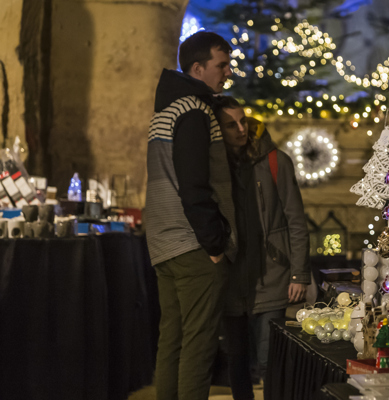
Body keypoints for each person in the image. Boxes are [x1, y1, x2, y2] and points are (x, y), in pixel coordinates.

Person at [145, 32, 237, 400]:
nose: (227, 73)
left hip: (164, 243)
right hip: (192, 245)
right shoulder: (194, 111)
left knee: (173, 340)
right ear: (197, 68)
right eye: (222, 65)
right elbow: (194, 185)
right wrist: (214, 244)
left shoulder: (165, 109)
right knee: (198, 346)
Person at [215, 96, 311, 400]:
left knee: (270, 361)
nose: (241, 129)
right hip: (231, 280)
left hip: (273, 276)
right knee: (237, 361)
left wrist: (299, 274)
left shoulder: (275, 160)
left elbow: (296, 220)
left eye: (243, 121)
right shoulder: (215, 166)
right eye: (231, 125)